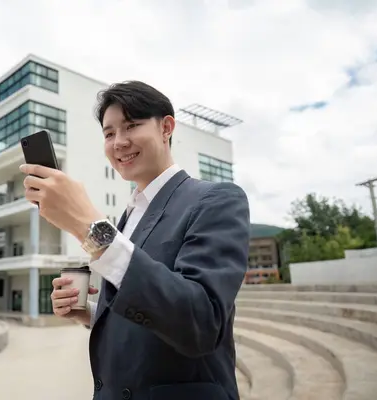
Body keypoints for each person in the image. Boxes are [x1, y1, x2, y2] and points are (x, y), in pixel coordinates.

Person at [20, 81, 250, 400]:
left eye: (131, 126)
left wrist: (88, 226)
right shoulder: (128, 217)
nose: (119, 142)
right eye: (109, 133)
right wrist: (89, 311)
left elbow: (201, 320)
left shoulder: (216, 200)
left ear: (166, 127)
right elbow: (148, 302)